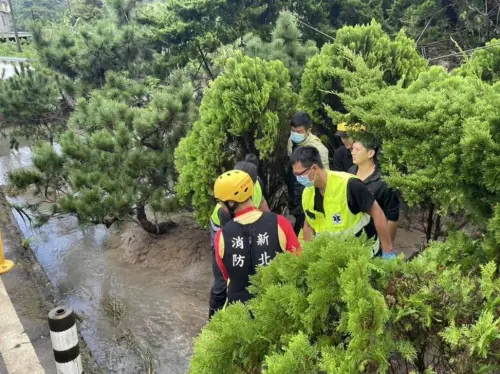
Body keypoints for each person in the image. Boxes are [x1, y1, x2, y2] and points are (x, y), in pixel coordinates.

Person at [213, 170, 301, 308]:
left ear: (230, 202)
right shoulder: (280, 223)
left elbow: (226, 274)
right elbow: (297, 262)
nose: (220, 206)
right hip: (280, 307)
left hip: (240, 312)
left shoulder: (221, 236)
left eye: (220, 202)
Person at [291, 146, 396, 259]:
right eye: (295, 174)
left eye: (299, 174)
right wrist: (309, 255)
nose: (298, 178)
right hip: (334, 260)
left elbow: (378, 213)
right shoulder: (308, 193)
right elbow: (309, 223)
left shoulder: (350, 185)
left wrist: (387, 250)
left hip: (364, 256)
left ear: (314, 168)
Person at [208, 155, 270, 318]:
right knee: (222, 281)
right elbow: (230, 240)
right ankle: (213, 317)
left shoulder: (257, 185)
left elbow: (264, 207)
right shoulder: (225, 210)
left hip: (246, 222)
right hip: (222, 231)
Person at [349, 134, 400, 242]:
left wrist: (387, 247)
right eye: (352, 148)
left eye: (357, 149)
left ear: (370, 153)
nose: (352, 152)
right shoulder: (351, 172)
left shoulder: (384, 182)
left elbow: (392, 218)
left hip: (374, 239)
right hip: (351, 236)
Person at [287, 112, 329, 236]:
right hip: (295, 182)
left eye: (298, 131)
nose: (295, 134)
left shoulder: (318, 149)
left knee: (307, 218)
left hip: (310, 187)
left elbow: (324, 175)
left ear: (308, 130)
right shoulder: (292, 140)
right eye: (292, 130)